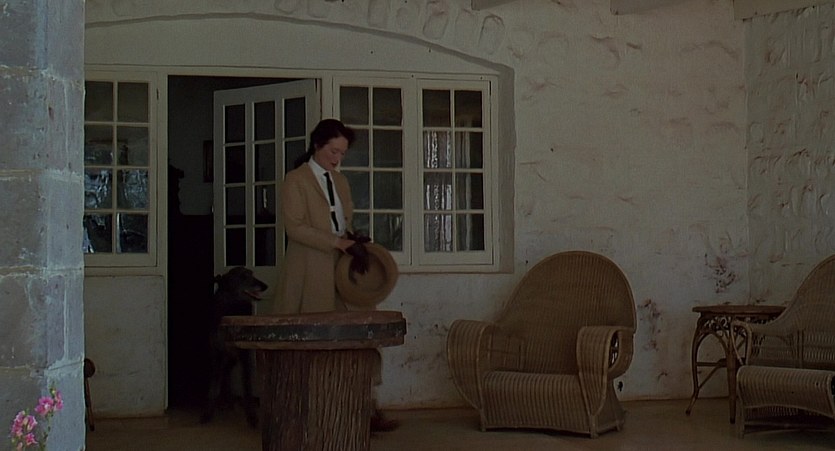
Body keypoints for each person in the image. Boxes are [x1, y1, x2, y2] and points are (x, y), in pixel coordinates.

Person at [275, 118, 399, 432]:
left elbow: (343, 222)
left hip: (343, 270)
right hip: (310, 269)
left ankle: (364, 408)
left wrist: (353, 239)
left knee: (359, 335)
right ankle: (308, 414)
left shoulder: (340, 181)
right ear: (317, 145)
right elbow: (295, 228)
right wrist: (337, 243)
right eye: (333, 151)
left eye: (342, 153)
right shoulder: (296, 180)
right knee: (313, 340)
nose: (337, 158)